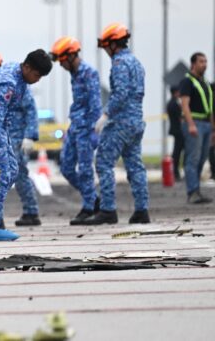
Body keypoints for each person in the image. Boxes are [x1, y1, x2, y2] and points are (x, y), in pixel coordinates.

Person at [0, 49, 53, 241]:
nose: (37, 80)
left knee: (13, 170)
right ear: (27, 67)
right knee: (3, 173)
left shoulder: (19, 75)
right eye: (37, 75)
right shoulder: (8, 83)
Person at [84, 23, 150, 225]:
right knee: (135, 166)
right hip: (136, 122)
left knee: (103, 163)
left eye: (106, 46)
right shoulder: (136, 63)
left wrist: (105, 114)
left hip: (120, 123)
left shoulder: (120, 64)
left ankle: (108, 209)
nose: (105, 50)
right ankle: (141, 210)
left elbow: (120, 94)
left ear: (114, 44)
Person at [49, 36, 103, 225]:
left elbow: (95, 104)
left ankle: (89, 207)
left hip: (86, 129)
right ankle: (93, 198)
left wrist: (92, 130)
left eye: (62, 60)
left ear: (71, 56)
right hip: (75, 127)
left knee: (86, 170)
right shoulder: (74, 74)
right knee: (66, 166)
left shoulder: (88, 73)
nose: (61, 65)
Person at [178, 52, 214, 204]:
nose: (204, 64)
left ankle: (197, 190)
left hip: (206, 124)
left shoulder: (205, 83)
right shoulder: (187, 82)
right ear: (193, 64)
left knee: (201, 158)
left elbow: (210, 107)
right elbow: (185, 105)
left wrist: (213, 128)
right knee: (193, 158)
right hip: (194, 123)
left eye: (205, 61)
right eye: (201, 61)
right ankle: (192, 191)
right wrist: (191, 124)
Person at [9, 88, 41, 226]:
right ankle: (30, 211)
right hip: (7, 136)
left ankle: (31, 212)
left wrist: (30, 136)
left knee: (20, 174)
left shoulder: (20, 88)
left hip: (18, 139)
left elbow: (31, 111)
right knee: (17, 175)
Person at [166, 85, 183, 180]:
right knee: (177, 152)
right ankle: (175, 172)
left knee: (177, 152)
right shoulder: (174, 104)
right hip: (178, 130)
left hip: (175, 130)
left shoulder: (171, 103)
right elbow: (180, 117)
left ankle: (175, 172)